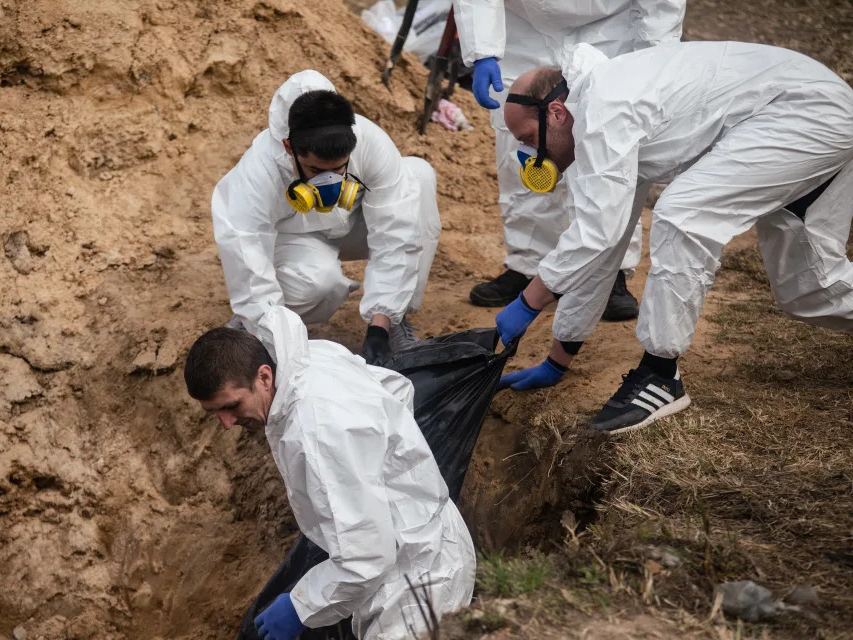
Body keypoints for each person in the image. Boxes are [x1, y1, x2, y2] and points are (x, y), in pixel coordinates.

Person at [495, 41, 853, 434]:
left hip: (806, 110)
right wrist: (558, 358)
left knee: (683, 213)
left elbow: (596, 237)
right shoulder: (595, 127)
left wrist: (526, 304)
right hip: (809, 112)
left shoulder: (605, 110)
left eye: (529, 139)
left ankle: (660, 376)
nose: (531, 155)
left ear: (556, 113)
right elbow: (602, 245)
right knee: (811, 290)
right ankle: (656, 375)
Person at [183, 306, 476, 639]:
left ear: (264, 376)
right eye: (214, 412)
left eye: (231, 406)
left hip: (418, 580)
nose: (226, 423)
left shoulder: (318, 430)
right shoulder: (308, 361)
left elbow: (367, 557)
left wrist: (301, 606)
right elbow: (398, 389)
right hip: (412, 546)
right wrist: (390, 473)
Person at [452, 0, 686, 319]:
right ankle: (528, 265)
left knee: (610, 146)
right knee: (522, 145)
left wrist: (656, 57)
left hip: (612, 27)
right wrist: (482, 49)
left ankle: (609, 272)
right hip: (524, 30)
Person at [211, 70, 441, 367]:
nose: (330, 181)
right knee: (321, 286)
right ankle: (256, 323)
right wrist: (272, 337)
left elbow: (397, 232)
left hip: (354, 224)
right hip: (296, 239)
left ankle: (396, 322)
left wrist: (379, 327)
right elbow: (247, 255)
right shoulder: (258, 172)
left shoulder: (369, 141)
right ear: (289, 148)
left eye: (340, 168)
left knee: (418, 176)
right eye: (317, 171)